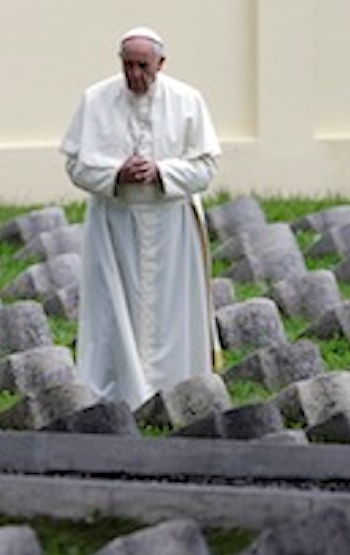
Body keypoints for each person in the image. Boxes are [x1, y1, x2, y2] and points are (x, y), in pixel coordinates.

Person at [60, 26, 222, 409]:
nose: (134, 75)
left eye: (142, 66)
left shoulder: (188, 101)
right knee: (115, 313)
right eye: (127, 65)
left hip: (171, 227)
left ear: (161, 64)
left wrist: (162, 173)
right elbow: (75, 167)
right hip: (115, 224)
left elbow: (205, 169)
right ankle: (118, 393)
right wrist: (116, 174)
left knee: (172, 317)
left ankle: (175, 390)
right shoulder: (95, 99)